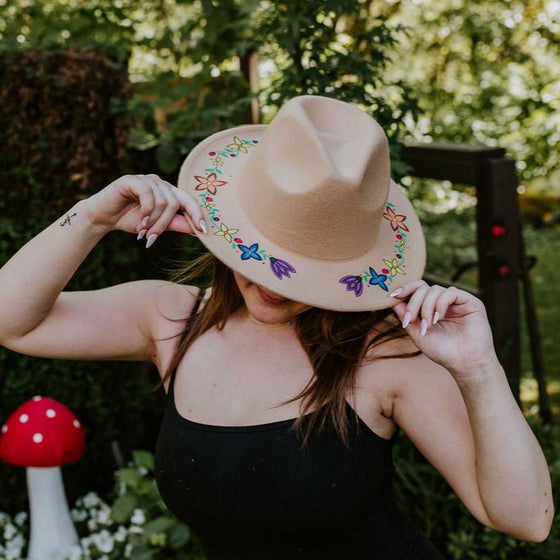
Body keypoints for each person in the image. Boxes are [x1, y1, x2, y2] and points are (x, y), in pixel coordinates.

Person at [0, 95, 553, 559]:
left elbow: (525, 518)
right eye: (266, 256)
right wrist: (92, 217)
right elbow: (13, 322)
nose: (276, 284)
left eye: (307, 269)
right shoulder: (169, 322)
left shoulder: (385, 357)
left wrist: (477, 368)